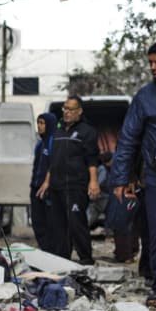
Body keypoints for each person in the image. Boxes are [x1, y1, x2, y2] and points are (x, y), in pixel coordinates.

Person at [109, 41, 156, 306]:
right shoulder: (144, 97)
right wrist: (121, 178)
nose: (153, 68)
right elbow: (128, 138)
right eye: (150, 63)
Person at [38, 97, 100, 264]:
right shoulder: (57, 131)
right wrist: (47, 181)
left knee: (76, 223)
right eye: (65, 108)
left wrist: (93, 182)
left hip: (76, 186)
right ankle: (62, 260)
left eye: (71, 109)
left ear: (79, 111)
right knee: (58, 226)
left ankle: (86, 259)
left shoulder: (87, 132)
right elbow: (54, 160)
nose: (66, 112)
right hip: (57, 186)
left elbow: (92, 160)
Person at [29, 112, 58, 253]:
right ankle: (44, 249)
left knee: (50, 223)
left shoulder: (53, 141)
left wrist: (47, 183)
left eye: (42, 123)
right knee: (36, 221)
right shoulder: (39, 144)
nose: (39, 126)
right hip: (35, 188)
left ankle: (51, 251)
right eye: (38, 123)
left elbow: (54, 164)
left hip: (48, 189)